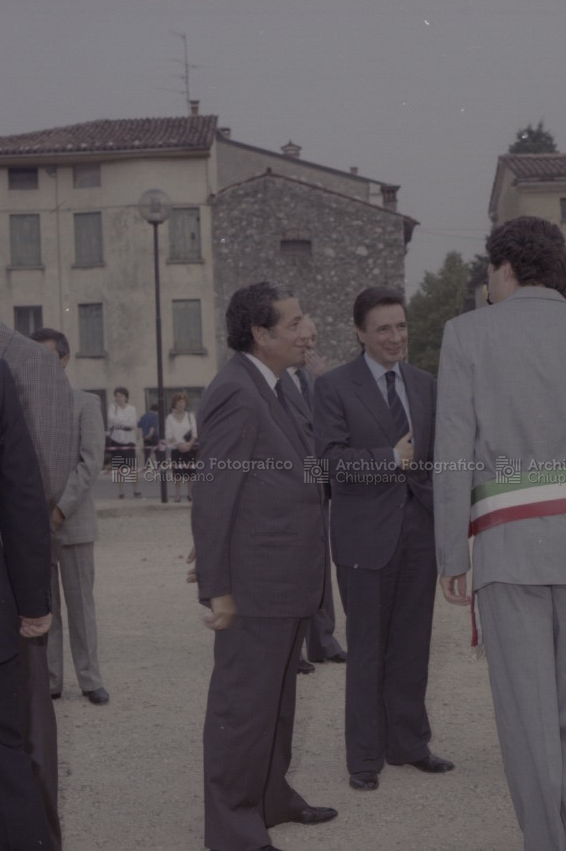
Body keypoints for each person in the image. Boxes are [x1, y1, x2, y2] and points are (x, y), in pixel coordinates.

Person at [434, 217, 566, 851]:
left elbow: (452, 455)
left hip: (507, 544)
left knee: (528, 718)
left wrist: (450, 553)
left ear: (504, 269)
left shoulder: (466, 334)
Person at [192, 282, 337, 851]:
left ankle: (271, 796)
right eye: (296, 322)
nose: (309, 331)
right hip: (255, 586)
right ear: (260, 333)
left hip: (286, 579)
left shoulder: (280, 386)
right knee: (243, 708)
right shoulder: (234, 391)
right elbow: (214, 492)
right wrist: (217, 588)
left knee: (276, 703)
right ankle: (231, 829)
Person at [314, 287, 452, 792]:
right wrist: (390, 459)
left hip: (418, 533)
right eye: (383, 329)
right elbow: (327, 462)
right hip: (363, 540)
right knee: (368, 649)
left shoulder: (425, 385)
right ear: (359, 333)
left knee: (413, 646)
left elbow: (436, 460)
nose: (396, 338)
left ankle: (410, 745)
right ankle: (364, 758)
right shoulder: (332, 387)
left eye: (401, 326)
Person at [0, 263, 73, 851]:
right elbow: (23, 495)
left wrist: (25, 598)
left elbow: (42, 485)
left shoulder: (18, 365)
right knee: (1, 762)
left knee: (14, 752)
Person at [31, 328, 110, 706]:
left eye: (49, 357)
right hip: (35, 528)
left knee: (80, 606)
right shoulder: (22, 406)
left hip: (73, 525)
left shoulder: (85, 404)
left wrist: (60, 510)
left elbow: (90, 463)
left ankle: (90, 678)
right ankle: (50, 680)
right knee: (46, 609)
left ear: (64, 359)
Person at [280, 316, 347, 673]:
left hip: (318, 477)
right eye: (305, 338)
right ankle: (292, 649)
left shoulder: (312, 377)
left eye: (314, 338)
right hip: (290, 482)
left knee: (321, 559)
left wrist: (324, 382)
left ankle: (323, 640)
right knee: (295, 564)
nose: (310, 345)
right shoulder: (273, 380)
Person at [107, 386, 141, 499]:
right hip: (116, 439)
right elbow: (111, 419)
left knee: (132, 467)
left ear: (125, 397)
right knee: (118, 468)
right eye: (116, 396)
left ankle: (136, 490)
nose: (118, 398)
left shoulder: (132, 409)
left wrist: (121, 422)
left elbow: (133, 423)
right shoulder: (112, 407)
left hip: (129, 439)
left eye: (120, 396)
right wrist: (124, 421)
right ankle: (121, 491)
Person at [165, 391, 198, 502]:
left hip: (189, 448)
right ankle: (177, 494)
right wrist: (178, 445)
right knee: (177, 474)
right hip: (176, 448)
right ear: (175, 403)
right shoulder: (169, 418)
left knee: (190, 473)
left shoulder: (190, 416)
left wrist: (189, 444)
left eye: (183, 402)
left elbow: (194, 432)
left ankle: (190, 494)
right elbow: (168, 434)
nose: (181, 404)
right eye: (179, 402)